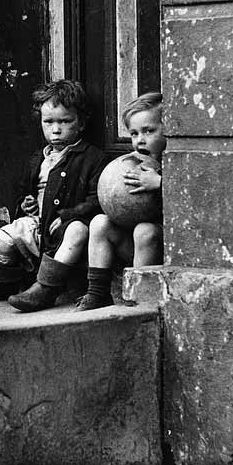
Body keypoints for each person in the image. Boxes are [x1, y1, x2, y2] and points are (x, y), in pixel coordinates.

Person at [0, 79, 107, 312]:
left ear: (81, 123)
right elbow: (25, 190)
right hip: (38, 224)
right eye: (48, 122)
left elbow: (97, 199)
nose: (56, 129)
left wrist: (69, 215)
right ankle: (0, 284)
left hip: (65, 227)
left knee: (77, 231)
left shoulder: (92, 158)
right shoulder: (38, 158)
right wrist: (26, 203)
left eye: (65, 121)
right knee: (4, 237)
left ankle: (46, 288)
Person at [76, 92, 166, 311]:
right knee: (100, 222)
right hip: (131, 246)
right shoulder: (129, 163)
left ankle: (139, 297)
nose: (140, 140)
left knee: (145, 230)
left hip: (162, 247)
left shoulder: (179, 159)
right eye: (134, 134)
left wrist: (160, 182)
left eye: (149, 131)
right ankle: (97, 292)